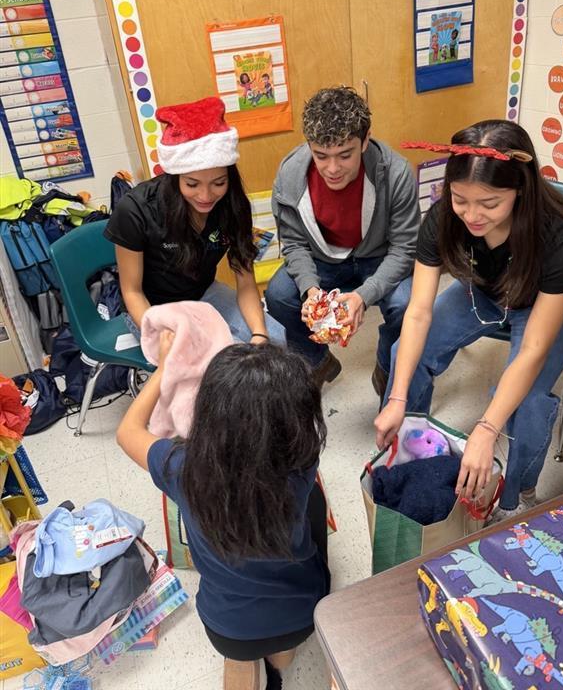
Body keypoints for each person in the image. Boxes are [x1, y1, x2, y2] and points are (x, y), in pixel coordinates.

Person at [374, 120, 563, 522]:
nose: (472, 215)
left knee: (527, 402)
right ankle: (411, 452)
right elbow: (418, 311)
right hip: (486, 291)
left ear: (520, 190)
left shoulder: (561, 239)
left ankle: (515, 496)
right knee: (407, 350)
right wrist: (398, 398)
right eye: (460, 199)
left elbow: (534, 348)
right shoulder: (444, 217)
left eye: (489, 204)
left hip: (545, 304)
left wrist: (486, 429)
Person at [116, 336, 330, 690]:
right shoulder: (301, 465)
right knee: (316, 504)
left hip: (225, 629)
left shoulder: (180, 467)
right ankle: (277, 662)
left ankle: (248, 664)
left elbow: (127, 433)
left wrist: (165, 364)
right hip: (300, 618)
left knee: (242, 656)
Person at [265, 87, 420, 395]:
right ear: (309, 145)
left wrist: (364, 295)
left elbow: (405, 248)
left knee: (408, 305)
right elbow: (294, 243)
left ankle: (387, 368)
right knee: (279, 295)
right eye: (321, 156)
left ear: (365, 141)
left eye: (344, 155)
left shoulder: (396, 172)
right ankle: (318, 361)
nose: (332, 169)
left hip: (379, 256)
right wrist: (311, 290)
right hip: (323, 260)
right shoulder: (290, 174)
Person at [105, 96, 285, 346]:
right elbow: (132, 292)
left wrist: (259, 334)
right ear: (175, 177)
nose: (206, 196)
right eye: (192, 184)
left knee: (275, 341)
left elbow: (245, 282)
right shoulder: (136, 210)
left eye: (218, 183)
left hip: (203, 293)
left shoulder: (232, 205)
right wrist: (160, 335)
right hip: (152, 308)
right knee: (225, 361)